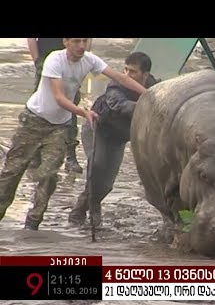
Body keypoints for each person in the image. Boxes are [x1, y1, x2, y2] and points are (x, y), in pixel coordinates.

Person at [0, 38, 147, 230]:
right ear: (66, 42)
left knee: (50, 175)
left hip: (59, 126)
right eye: (76, 41)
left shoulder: (89, 60)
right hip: (34, 121)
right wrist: (83, 112)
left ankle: (32, 225)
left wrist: (150, 96)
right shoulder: (54, 59)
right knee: (12, 172)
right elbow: (59, 97)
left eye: (85, 41)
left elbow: (122, 78)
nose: (81, 46)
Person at [68, 52, 158, 228]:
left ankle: (90, 204)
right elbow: (119, 105)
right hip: (97, 130)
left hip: (118, 139)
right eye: (125, 69)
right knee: (98, 166)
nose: (127, 75)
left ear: (145, 75)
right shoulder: (116, 84)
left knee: (107, 184)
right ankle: (81, 211)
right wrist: (151, 103)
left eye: (132, 72)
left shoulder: (154, 87)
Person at [27, 38, 93, 174]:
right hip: (45, 60)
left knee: (70, 107)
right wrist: (37, 60)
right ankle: (36, 153)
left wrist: (83, 56)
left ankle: (71, 155)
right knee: (40, 108)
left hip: (70, 61)